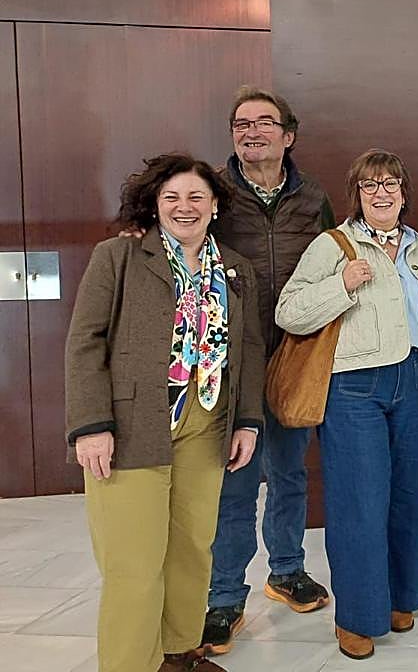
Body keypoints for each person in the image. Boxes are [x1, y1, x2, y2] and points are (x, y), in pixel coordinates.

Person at [66, 153, 264, 672]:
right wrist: (90, 426)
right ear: (155, 205)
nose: (185, 206)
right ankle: (132, 663)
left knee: (193, 549)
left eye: (197, 196)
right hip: (133, 426)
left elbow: (247, 348)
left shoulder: (236, 269)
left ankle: (179, 653)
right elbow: (85, 341)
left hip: (207, 424)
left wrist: (246, 419)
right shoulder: (119, 257)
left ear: (215, 205)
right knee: (134, 562)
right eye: (172, 197)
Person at [276, 149, 418, 661]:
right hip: (353, 387)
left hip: (416, 382)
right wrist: (341, 285)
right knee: (358, 502)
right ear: (357, 194)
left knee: (412, 497)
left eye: (391, 183)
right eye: (370, 185)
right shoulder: (334, 245)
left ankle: (400, 596)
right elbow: (289, 311)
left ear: (404, 192)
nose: (382, 193)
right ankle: (358, 616)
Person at [203, 85, 335, 655]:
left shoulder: (314, 198)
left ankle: (286, 570)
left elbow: (334, 262)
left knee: (289, 473)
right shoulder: (213, 192)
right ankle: (224, 597)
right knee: (234, 483)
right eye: (240, 123)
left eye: (264, 122)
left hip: (293, 356)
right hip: (231, 360)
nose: (250, 131)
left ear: (288, 136)